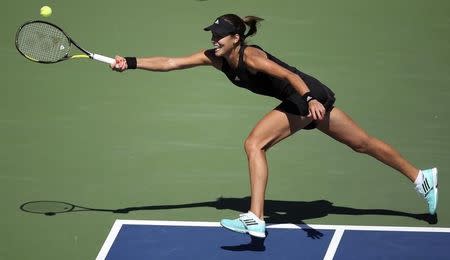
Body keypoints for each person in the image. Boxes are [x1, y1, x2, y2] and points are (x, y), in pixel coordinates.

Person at [111, 14, 438, 238]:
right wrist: (132, 62)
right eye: (211, 35)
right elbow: (171, 62)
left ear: (236, 38)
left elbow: (290, 76)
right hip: (307, 99)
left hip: (304, 95)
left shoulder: (251, 56)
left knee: (254, 144)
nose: (213, 40)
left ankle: (256, 217)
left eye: (217, 35)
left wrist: (310, 98)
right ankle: (421, 178)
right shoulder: (215, 57)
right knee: (362, 143)